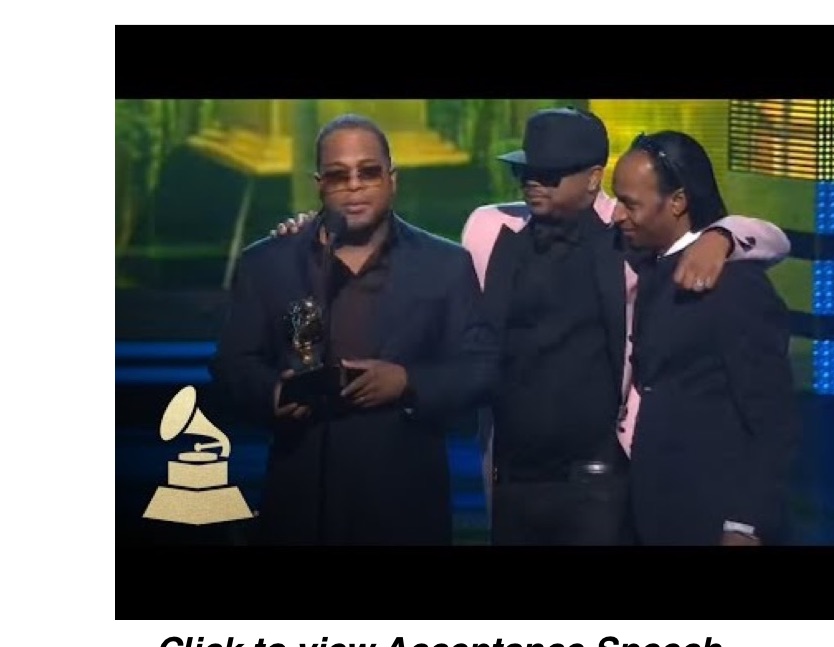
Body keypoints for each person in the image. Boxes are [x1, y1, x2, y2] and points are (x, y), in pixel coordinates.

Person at [273, 107, 791, 546]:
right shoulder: (490, 227)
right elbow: (409, 250)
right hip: (512, 477)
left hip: (601, 480)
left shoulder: (626, 229)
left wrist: (722, 236)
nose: (532, 184)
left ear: (592, 179)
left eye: (549, 175)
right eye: (525, 172)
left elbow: (766, 239)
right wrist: (316, 229)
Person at [210, 114, 499, 546]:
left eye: (368, 172)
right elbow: (231, 366)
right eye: (338, 175)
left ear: (391, 179)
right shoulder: (268, 263)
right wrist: (273, 393)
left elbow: (480, 368)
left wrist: (407, 382)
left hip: (404, 504)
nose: (354, 186)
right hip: (301, 497)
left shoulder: (445, 264)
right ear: (319, 185)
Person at [610, 131, 799, 545]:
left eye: (630, 204)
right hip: (651, 514)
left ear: (677, 202)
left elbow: (773, 416)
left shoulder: (734, 285)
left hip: (712, 516)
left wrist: (746, 523)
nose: (617, 215)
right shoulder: (648, 265)